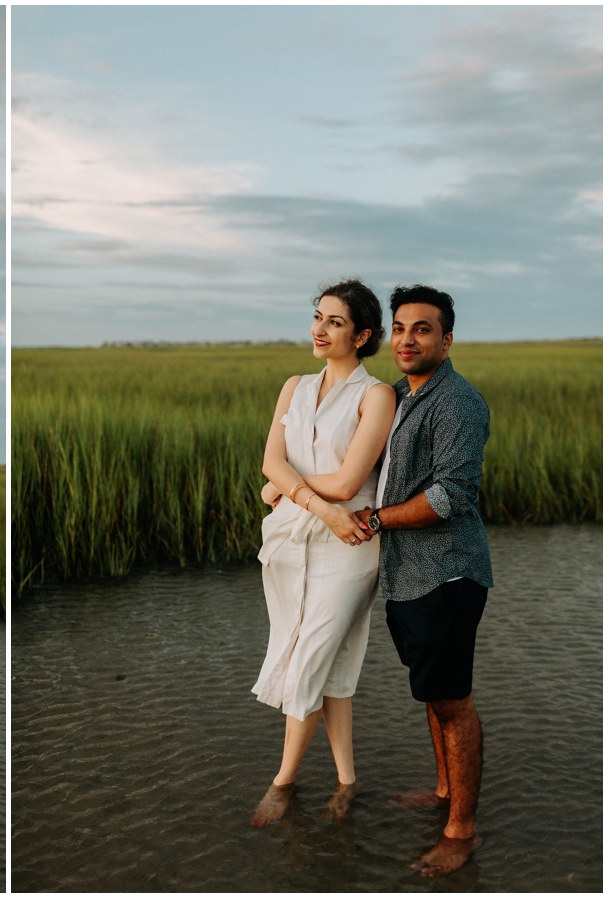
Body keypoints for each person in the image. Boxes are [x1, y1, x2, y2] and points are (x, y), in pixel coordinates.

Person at [354, 286, 493, 877]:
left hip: (447, 575)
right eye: (401, 328)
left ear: (447, 339)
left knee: (453, 701)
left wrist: (377, 519)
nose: (408, 340)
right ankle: (441, 793)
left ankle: (462, 831)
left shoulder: (456, 402)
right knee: (432, 693)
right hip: (406, 575)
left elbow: (451, 495)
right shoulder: (399, 397)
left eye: (424, 329)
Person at [250, 280, 397, 827]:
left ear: (361, 335)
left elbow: (350, 478)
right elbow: (270, 462)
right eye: (317, 317)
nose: (319, 329)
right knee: (328, 666)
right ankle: (347, 781)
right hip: (295, 537)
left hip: (350, 544)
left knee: (308, 658)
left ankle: (283, 782)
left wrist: (291, 488)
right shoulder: (294, 386)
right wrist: (315, 503)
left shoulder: (376, 395)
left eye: (335, 322)